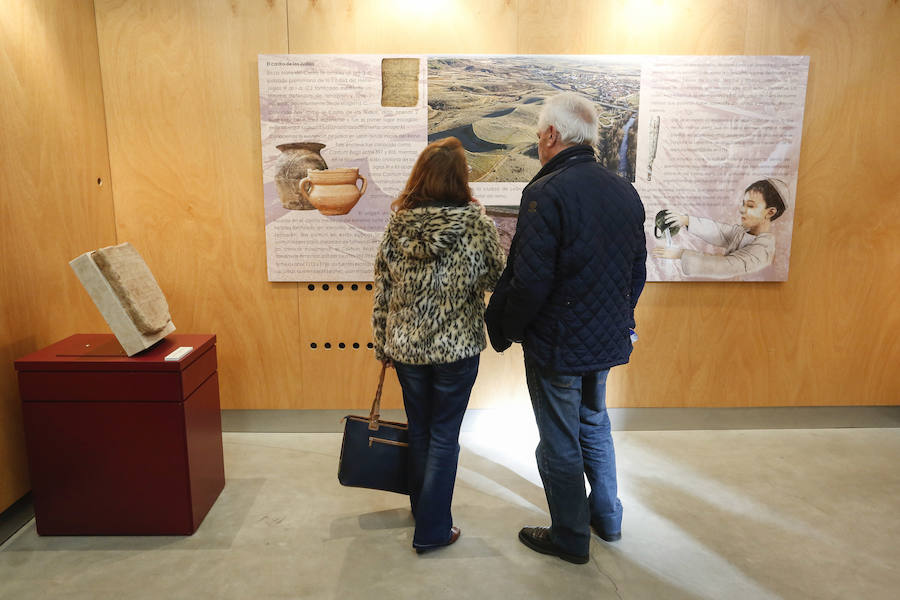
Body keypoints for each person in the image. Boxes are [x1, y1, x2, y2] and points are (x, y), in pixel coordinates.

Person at [485, 93, 647, 565]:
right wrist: (615, 321)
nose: (539, 143)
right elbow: (636, 272)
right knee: (594, 424)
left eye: (538, 136)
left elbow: (531, 280)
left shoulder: (546, 193)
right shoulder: (623, 191)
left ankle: (570, 535)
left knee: (558, 437)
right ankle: (607, 518)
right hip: (604, 340)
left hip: (557, 344)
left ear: (551, 136)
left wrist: (506, 328)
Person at [372, 136, 505, 554]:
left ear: (420, 176)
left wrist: (383, 342)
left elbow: (383, 289)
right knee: (446, 435)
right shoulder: (476, 225)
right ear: (459, 179)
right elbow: (494, 281)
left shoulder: (397, 225)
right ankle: (432, 529)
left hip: (408, 348)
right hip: (457, 347)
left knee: (422, 430)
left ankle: (423, 508)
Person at [651, 178, 788, 279]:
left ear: (770, 212)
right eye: (743, 204)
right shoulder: (743, 232)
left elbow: (725, 266)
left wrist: (680, 254)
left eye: (750, 206)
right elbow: (720, 232)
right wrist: (685, 220)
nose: (741, 210)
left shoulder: (763, 250)